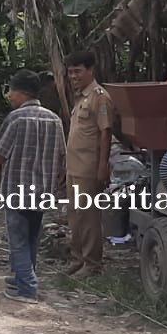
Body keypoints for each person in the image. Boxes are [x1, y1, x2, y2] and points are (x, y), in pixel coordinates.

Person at [0, 70, 65, 301]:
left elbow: (0, 154)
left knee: (18, 240)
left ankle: (27, 289)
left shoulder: (16, 118)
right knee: (31, 239)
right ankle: (20, 279)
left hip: (17, 190)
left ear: (21, 93)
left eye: (11, 91)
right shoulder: (54, 119)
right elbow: (62, 156)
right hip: (43, 191)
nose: (9, 96)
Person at [63, 50, 115, 276]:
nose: (73, 76)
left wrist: (103, 166)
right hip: (74, 167)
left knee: (89, 215)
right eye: (70, 72)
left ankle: (92, 264)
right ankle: (78, 258)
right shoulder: (80, 97)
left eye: (78, 71)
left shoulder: (99, 96)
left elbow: (106, 132)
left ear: (90, 70)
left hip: (89, 167)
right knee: (75, 216)